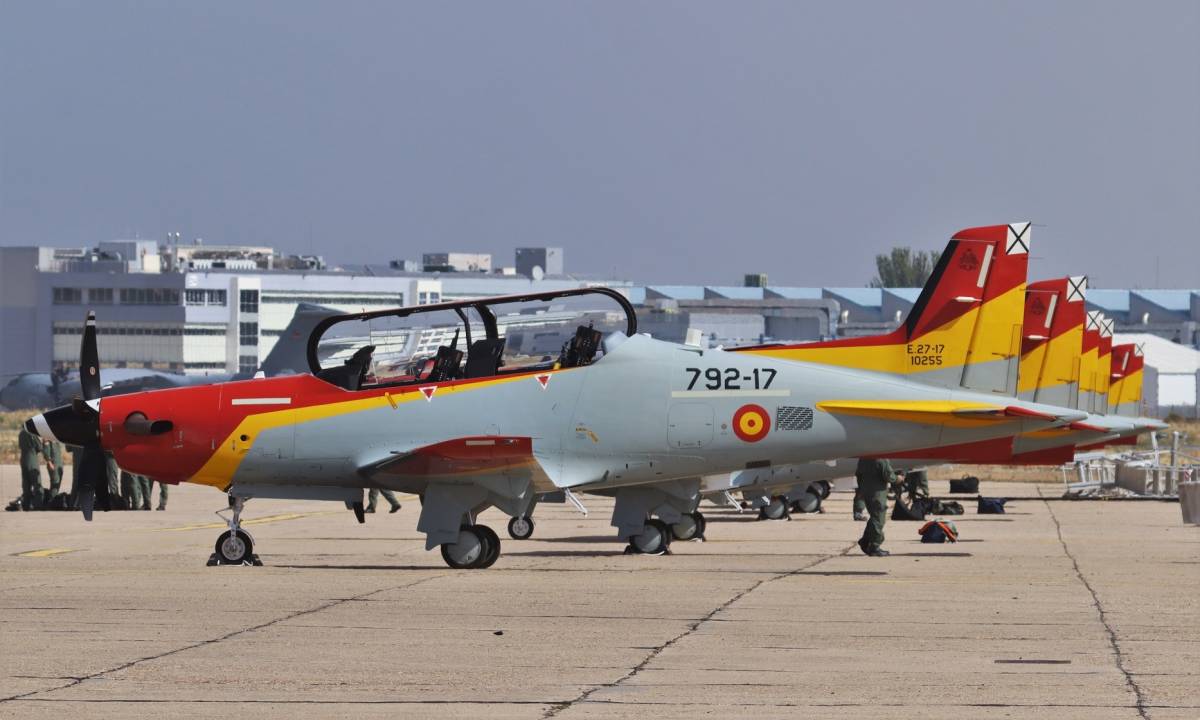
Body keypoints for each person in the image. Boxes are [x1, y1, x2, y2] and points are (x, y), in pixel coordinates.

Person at [854, 457, 896, 557]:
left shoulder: (863, 458)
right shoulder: (881, 459)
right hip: (877, 494)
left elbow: (858, 475)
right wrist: (897, 478)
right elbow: (889, 476)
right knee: (878, 519)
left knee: (874, 517)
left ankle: (865, 540)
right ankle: (874, 547)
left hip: (866, 491)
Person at [18, 426, 45, 511]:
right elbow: (39, 447)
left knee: (26, 483)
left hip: (23, 459)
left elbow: (20, 446)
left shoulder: (21, 434)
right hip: (32, 459)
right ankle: (38, 505)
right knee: (37, 483)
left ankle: (26, 505)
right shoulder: (32, 434)